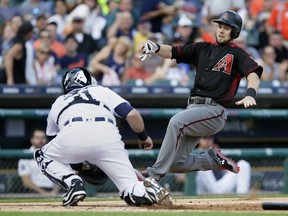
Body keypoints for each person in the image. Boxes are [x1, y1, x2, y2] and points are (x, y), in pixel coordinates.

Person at [135, 10, 263, 182]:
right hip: (194, 109)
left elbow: (253, 73)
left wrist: (250, 94)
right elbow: (173, 51)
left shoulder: (238, 54)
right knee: (176, 164)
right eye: (220, 26)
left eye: (227, 28)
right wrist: (156, 48)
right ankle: (211, 160)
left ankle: (152, 173)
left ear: (235, 32)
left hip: (214, 110)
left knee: (176, 122)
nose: (221, 30)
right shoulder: (202, 48)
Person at [33, 67, 172, 206]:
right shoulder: (101, 90)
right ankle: (148, 190)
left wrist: (79, 165)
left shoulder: (59, 101)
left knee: (41, 154)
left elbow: (55, 142)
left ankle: (73, 183)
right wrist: (143, 137)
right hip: (108, 138)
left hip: (72, 133)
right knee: (129, 187)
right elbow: (132, 115)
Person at [18, 129, 60, 196]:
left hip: (53, 191)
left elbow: (60, 175)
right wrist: (43, 193)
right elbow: (26, 181)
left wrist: (54, 192)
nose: (40, 140)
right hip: (33, 192)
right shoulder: (25, 155)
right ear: (32, 140)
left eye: (42, 138)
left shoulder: (53, 154)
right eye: (37, 138)